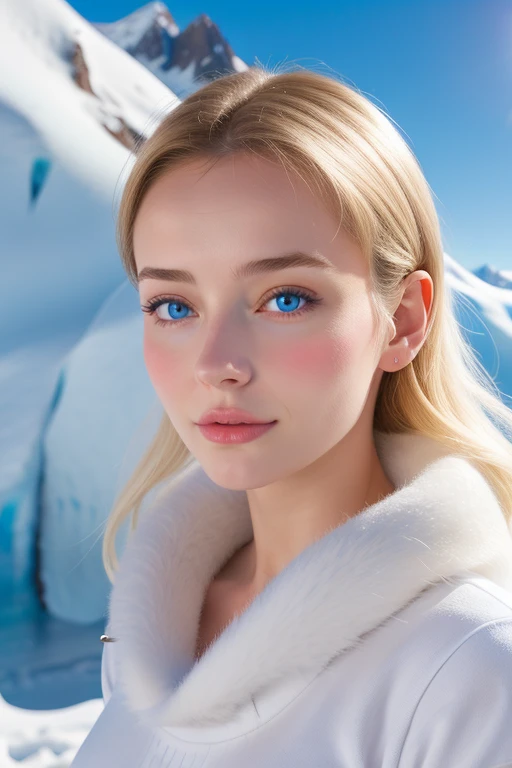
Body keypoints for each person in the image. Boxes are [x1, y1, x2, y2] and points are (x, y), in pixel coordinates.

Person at [71, 65, 512, 767]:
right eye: (174, 307)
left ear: (402, 320)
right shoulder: (147, 636)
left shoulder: (470, 672)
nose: (217, 362)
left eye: (285, 299)